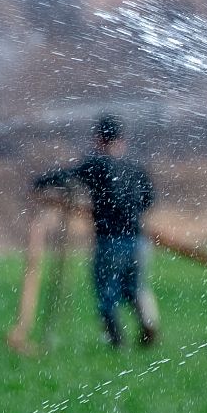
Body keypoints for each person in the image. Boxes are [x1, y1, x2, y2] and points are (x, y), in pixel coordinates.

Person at [33, 114, 159, 347]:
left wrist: (40, 182)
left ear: (99, 139)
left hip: (110, 241)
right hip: (139, 241)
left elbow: (67, 176)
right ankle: (148, 321)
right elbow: (149, 200)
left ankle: (116, 342)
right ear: (121, 140)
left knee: (107, 291)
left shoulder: (98, 164)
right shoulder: (135, 168)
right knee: (135, 287)